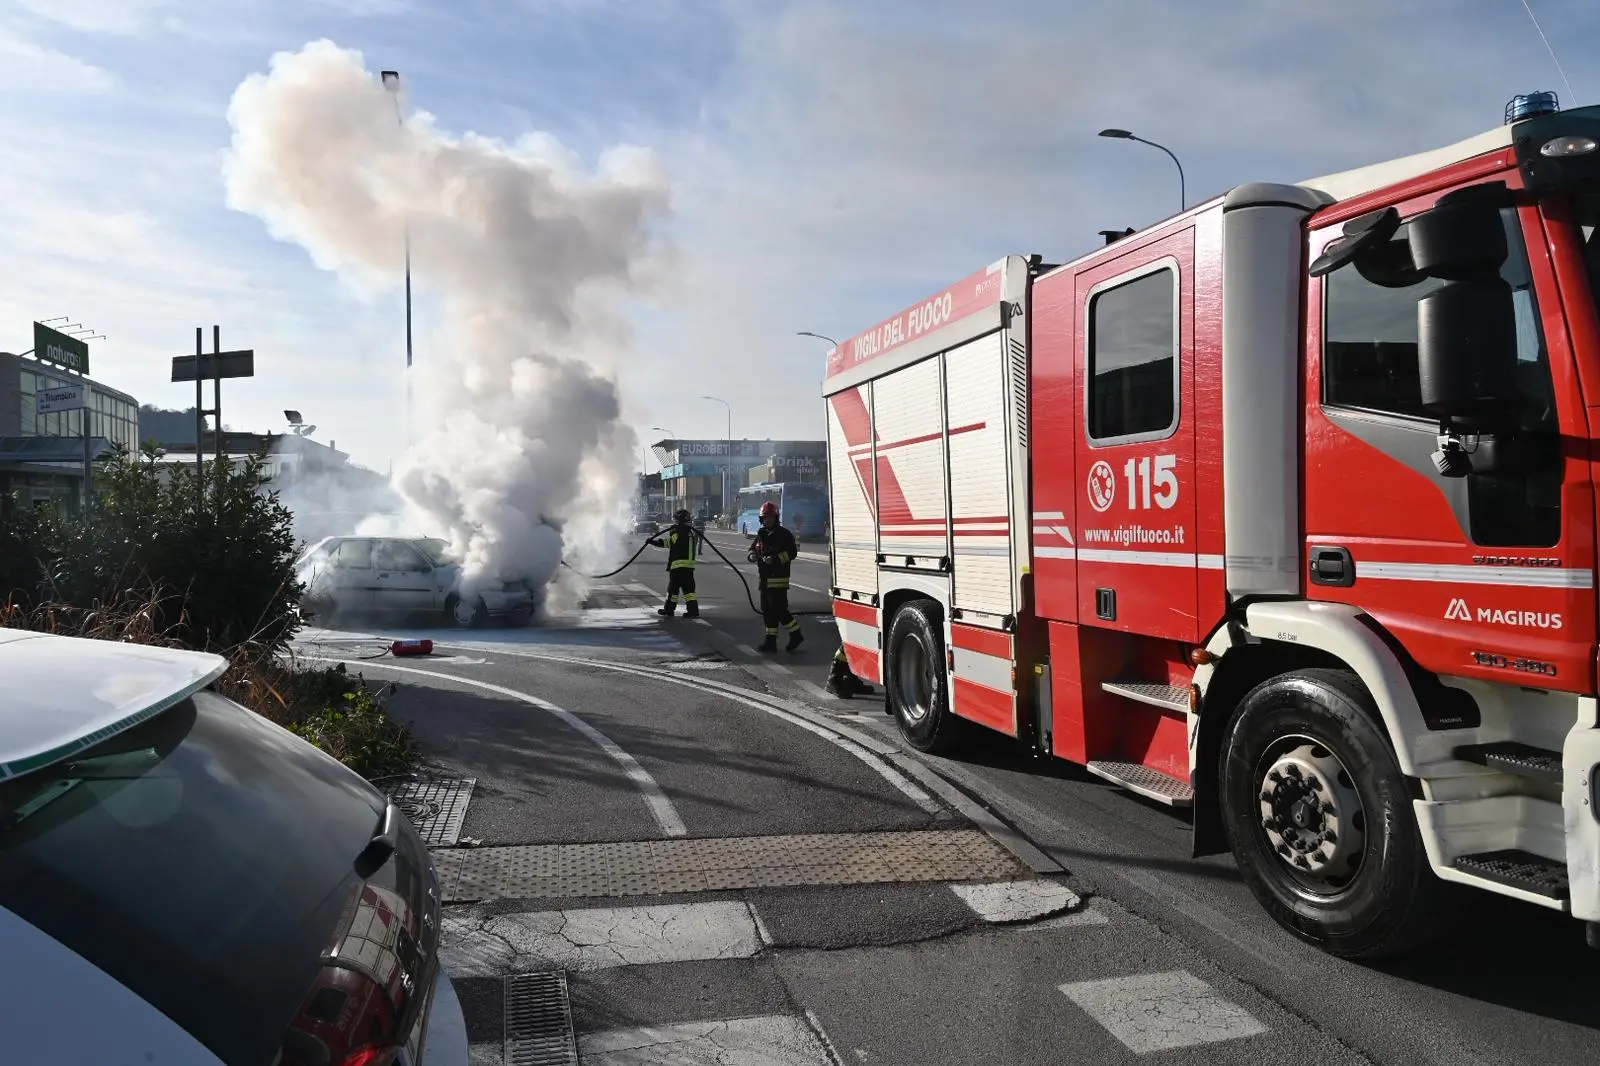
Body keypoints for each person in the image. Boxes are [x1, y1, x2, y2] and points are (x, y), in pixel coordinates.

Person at [748, 500, 803, 652]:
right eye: (765, 518)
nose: (768, 520)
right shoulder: (761, 535)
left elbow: (792, 553)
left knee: (779, 610)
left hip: (778, 579)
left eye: (770, 517)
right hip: (765, 580)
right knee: (767, 610)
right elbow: (752, 549)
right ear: (761, 519)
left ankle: (796, 633)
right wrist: (752, 555)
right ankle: (770, 641)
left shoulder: (784, 534)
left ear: (776, 518)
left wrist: (776, 559)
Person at [649, 509, 701, 618]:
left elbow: (676, 542)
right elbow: (669, 543)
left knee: (672, 590)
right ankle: (693, 611)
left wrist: (674, 532)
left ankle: (669, 610)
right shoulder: (691, 532)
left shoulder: (679, 532)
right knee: (689, 591)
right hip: (688, 568)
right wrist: (654, 542)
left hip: (678, 567)